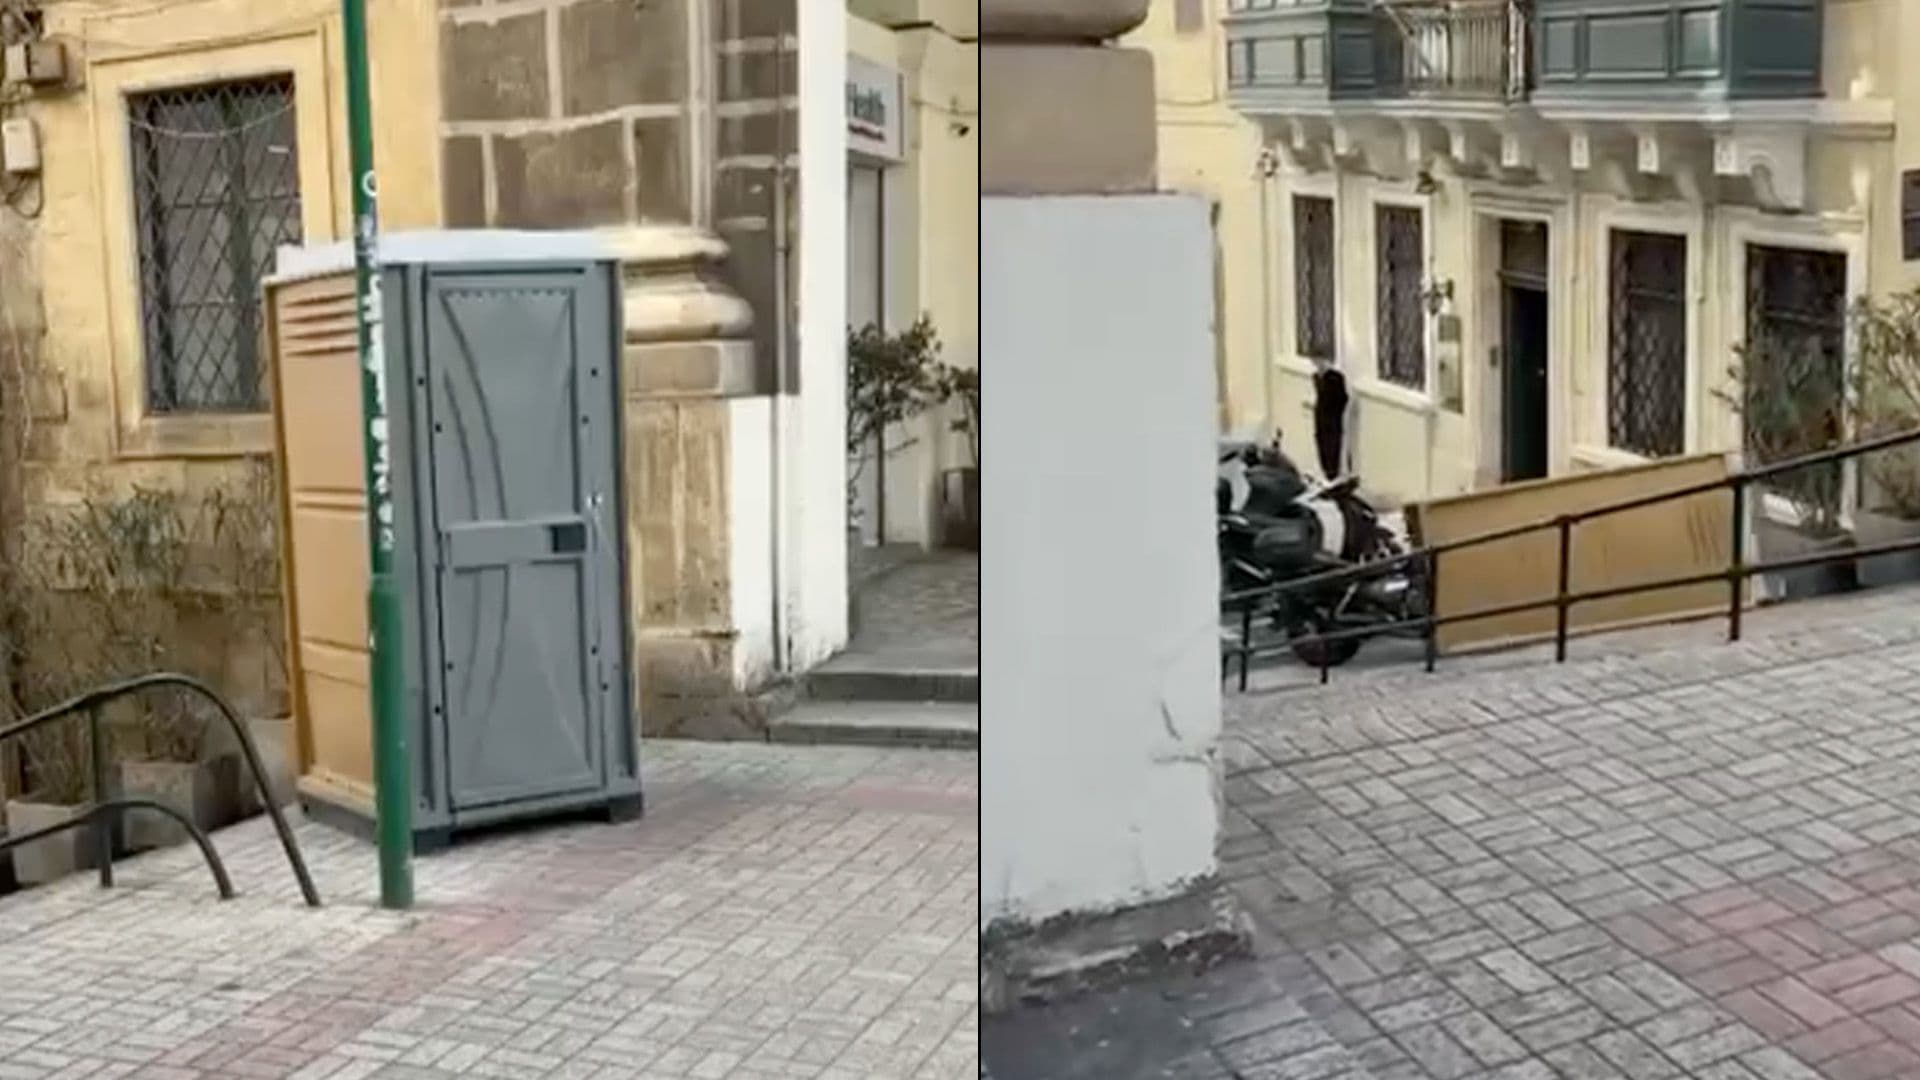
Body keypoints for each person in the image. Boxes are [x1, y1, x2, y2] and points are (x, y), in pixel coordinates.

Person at [1311, 359, 1348, 481]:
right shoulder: (1316, 377)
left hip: (1332, 419)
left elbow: (1342, 398)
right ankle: (1326, 472)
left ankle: (1333, 473)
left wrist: (1336, 413)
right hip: (1321, 418)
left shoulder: (1336, 378)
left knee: (1332, 447)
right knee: (1322, 445)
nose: (1318, 366)